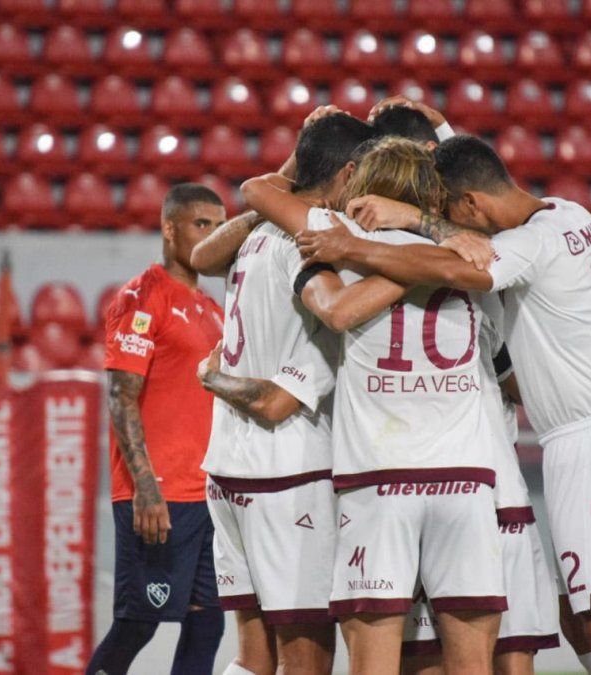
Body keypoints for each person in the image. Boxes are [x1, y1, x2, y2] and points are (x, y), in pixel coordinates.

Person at [297, 136, 591, 674]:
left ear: (470, 203)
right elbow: (477, 186)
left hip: (588, 442)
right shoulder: (569, 214)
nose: (456, 227)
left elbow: (461, 267)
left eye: (452, 213)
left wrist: (358, 243)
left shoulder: (526, 246)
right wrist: (442, 138)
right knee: (579, 621)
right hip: (578, 440)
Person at [243, 137, 507, 675]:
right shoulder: (470, 253)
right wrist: (433, 258)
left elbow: (259, 195)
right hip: (466, 480)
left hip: (377, 480)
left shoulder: (335, 239)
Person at [369, 99, 561, 675]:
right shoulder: (477, 253)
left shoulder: (369, 247)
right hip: (487, 475)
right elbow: (482, 203)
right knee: (507, 649)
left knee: (418, 652)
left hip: (399, 476)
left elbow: (474, 190)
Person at [190, 112, 381, 675]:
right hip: (286, 475)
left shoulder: (252, 237)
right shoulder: (316, 246)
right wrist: (214, 379)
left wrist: (213, 379)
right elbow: (277, 403)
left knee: (252, 657)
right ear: (348, 173)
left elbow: (202, 258)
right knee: (307, 659)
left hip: (226, 472)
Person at [88, 183, 226, 675]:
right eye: (201, 224)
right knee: (137, 625)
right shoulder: (143, 296)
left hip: (208, 494)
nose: (212, 235)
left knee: (208, 623)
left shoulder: (213, 310)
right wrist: (145, 487)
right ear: (169, 229)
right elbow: (121, 395)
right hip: (159, 496)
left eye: (218, 225)